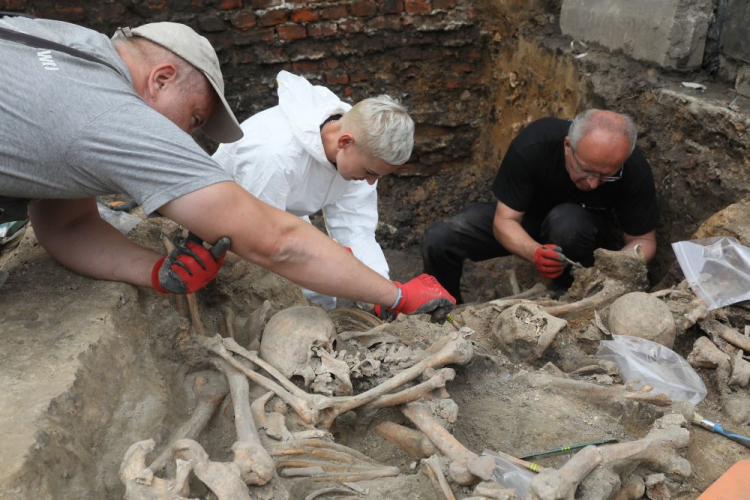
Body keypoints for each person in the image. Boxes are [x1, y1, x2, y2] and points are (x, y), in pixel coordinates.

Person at [0, 15, 455, 319]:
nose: (188, 137)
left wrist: (156, 271)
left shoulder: (70, 43)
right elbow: (274, 242)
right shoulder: (113, 118)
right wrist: (397, 294)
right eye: (194, 119)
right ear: (161, 79)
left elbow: (67, 219)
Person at [213, 70, 413, 310]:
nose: (371, 182)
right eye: (370, 172)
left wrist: (383, 296)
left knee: (320, 295)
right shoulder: (274, 155)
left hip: (283, 211)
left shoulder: (361, 148)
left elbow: (356, 228)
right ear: (344, 142)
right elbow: (264, 241)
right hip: (226, 214)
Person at [421, 110, 659, 303]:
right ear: (568, 146)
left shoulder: (633, 168)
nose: (594, 184)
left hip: (588, 237)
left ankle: (567, 295)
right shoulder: (535, 145)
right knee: (440, 238)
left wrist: (611, 267)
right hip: (527, 221)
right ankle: (444, 308)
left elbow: (644, 241)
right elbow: (505, 220)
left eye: (606, 176)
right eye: (585, 170)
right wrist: (534, 252)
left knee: (567, 223)